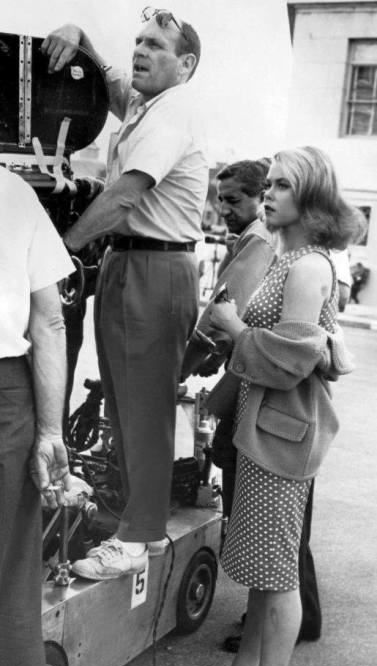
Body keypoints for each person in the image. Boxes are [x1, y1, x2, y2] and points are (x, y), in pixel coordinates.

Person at [191, 146, 365, 666]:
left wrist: (236, 328)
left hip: (281, 436)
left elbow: (289, 362)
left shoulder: (308, 266)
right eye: (270, 184)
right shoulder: (289, 256)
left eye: (284, 186)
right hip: (266, 428)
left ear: (311, 199)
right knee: (266, 571)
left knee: (278, 574)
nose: (270, 194)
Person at [42, 8, 208, 580]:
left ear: (185, 64)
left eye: (156, 45)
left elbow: (126, 196)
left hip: (156, 268)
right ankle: (135, 520)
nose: (140, 50)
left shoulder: (172, 111)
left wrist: (59, 247)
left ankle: (140, 536)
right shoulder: (146, 104)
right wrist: (76, 34)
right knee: (123, 402)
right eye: (138, 40)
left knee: (144, 407)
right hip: (129, 262)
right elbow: (111, 77)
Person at [0, 166, 73, 666]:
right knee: (11, 577)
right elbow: (48, 319)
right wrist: (50, 430)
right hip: (7, 395)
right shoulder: (12, 190)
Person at [180, 158, 275, 384]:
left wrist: (179, 371)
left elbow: (225, 304)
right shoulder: (254, 233)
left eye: (233, 201)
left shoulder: (259, 235)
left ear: (263, 198)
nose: (223, 210)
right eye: (221, 200)